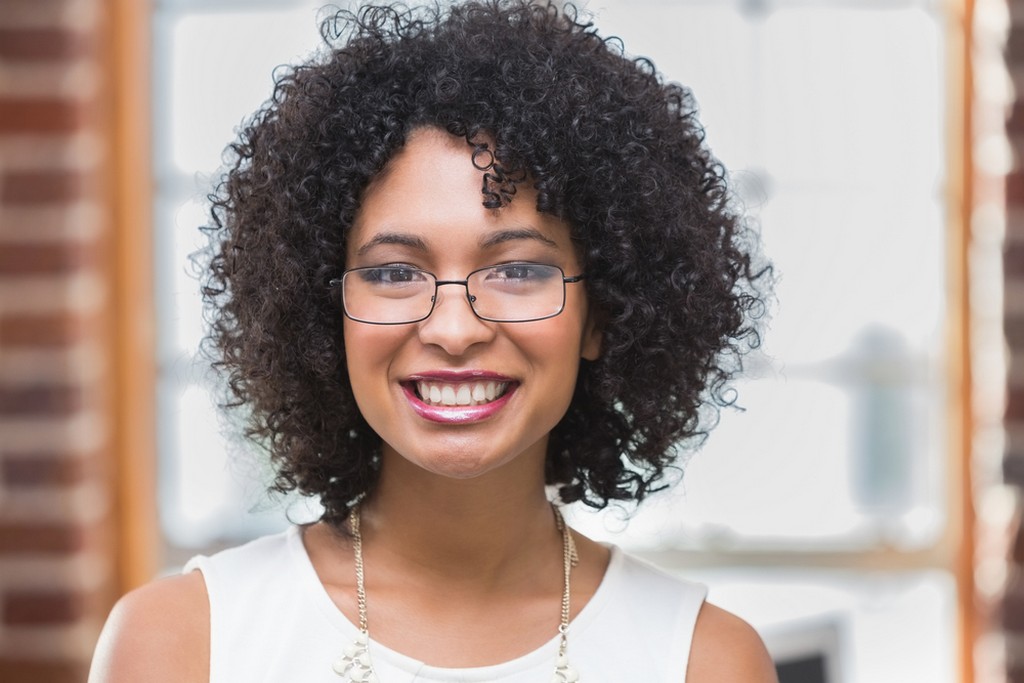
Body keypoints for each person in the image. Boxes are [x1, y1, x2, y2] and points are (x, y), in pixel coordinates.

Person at [90, 1, 776, 681]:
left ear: (603, 315)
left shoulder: (703, 660)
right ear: (326, 313)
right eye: (393, 271)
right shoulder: (183, 644)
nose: (453, 330)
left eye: (517, 269)